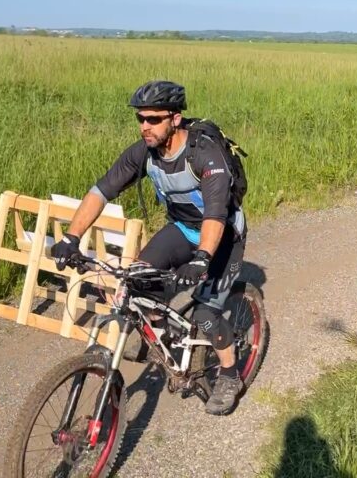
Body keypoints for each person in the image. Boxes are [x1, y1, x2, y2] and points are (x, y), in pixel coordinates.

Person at [50, 80, 248, 416]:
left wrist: (201, 259)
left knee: (206, 314)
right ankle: (164, 339)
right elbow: (101, 190)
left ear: (174, 118)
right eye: (140, 118)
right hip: (182, 229)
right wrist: (71, 238)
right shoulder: (144, 152)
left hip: (221, 235)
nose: (144, 126)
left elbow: (215, 212)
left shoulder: (204, 154)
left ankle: (230, 375)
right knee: (137, 281)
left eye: (153, 119)